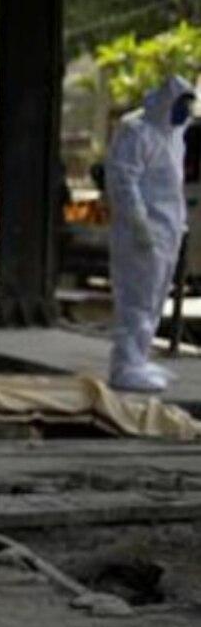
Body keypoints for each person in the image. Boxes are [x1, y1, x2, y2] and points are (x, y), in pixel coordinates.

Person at [103, 75, 195, 393]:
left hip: (166, 231)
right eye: (181, 105)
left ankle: (139, 358)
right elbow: (123, 181)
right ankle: (125, 365)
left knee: (155, 298)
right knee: (137, 299)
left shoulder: (174, 135)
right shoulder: (136, 133)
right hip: (140, 234)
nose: (186, 113)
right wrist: (138, 224)